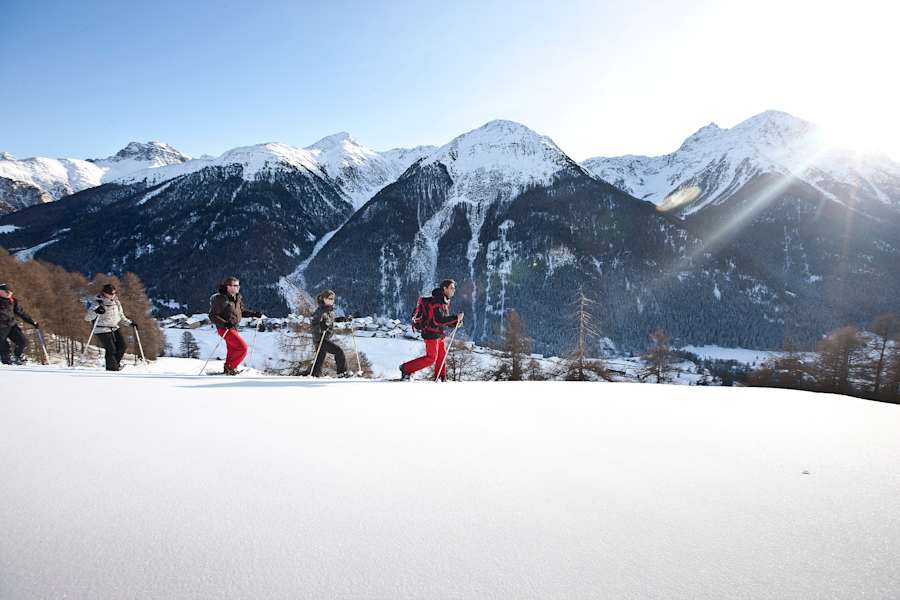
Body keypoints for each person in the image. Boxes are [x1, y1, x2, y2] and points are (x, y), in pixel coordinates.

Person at [399, 279, 463, 381]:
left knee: (442, 355)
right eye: (451, 288)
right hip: (431, 333)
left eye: (454, 288)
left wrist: (456, 322)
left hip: (438, 333)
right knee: (431, 359)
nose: (453, 290)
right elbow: (438, 320)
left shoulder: (444, 300)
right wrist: (455, 318)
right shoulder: (437, 301)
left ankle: (441, 378)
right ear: (445, 288)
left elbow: (443, 320)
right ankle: (406, 368)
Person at [207, 276, 262, 375]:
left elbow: (241, 311)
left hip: (234, 327)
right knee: (242, 348)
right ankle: (231, 367)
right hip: (224, 328)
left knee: (233, 349)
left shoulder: (237, 297)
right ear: (228, 286)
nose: (238, 287)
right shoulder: (221, 299)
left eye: (238, 285)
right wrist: (225, 323)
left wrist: (254, 314)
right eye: (235, 285)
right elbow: (212, 316)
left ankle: (229, 368)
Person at [84, 283, 134, 371]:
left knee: (122, 346)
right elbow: (87, 318)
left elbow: (121, 316)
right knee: (111, 349)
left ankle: (115, 365)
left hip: (114, 327)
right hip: (101, 328)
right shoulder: (97, 302)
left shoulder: (116, 302)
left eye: (114, 293)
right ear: (104, 293)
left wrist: (129, 323)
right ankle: (112, 369)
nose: (113, 295)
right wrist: (96, 311)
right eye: (111, 294)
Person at [310, 289, 353, 377]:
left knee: (319, 359)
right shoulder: (320, 311)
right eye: (329, 298)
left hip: (325, 338)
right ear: (324, 299)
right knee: (338, 351)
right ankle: (342, 372)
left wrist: (343, 319)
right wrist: (321, 328)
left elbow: (332, 320)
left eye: (332, 299)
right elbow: (314, 323)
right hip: (320, 339)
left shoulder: (330, 311)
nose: (331, 300)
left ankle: (314, 375)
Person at [0, 283, 39, 365]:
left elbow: (21, 313)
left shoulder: (13, 301)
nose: (9, 293)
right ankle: (7, 363)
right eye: (6, 291)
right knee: (4, 347)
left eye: (10, 292)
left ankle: (17, 356)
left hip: (11, 325)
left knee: (22, 341)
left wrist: (32, 322)